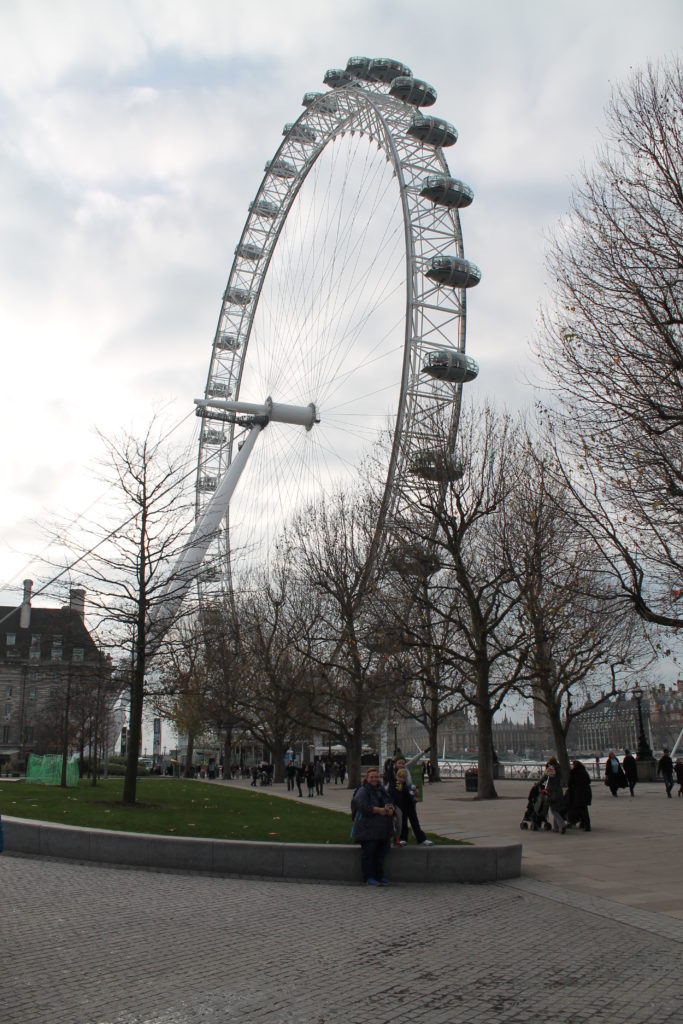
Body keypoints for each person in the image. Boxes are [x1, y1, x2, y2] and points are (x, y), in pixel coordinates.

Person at [351, 767, 395, 886]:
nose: (374, 779)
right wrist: (378, 810)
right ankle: (369, 876)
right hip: (367, 829)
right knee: (369, 854)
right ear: (366, 778)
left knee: (381, 855)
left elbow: (390, 802)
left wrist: (391, 809)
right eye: (372, 777)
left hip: (383, 829)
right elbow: (362, 806)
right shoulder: (363, 790)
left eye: (376, 777)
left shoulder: (382, 790)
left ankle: (380, 875)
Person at [387, 767, 433, 846]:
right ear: (396, 776)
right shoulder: (396, 784)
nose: (401, 779)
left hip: (410, 805)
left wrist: (414, 795)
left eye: (404, 777)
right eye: (400, 777)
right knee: (403, 823)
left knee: (415, 822)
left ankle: (421, 839)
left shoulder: (408, 785)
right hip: (401, 806)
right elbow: (395, 794)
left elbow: (412, 795)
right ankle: (403, 838)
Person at [566, 759, 592, 831]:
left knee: (582, 809)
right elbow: (589, 781)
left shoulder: (574, 772)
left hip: (578, 792)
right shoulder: (584, 772)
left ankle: (586, 825)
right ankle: (584, 823)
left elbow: (570, 783)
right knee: (584, 808)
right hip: (586, 791)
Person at [545, 764, 567, 833]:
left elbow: (545, 779)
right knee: (556, 810)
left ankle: (562, 824)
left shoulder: (550, 777)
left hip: (552, 795)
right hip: (559, 794)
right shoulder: (559, 773)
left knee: (553, 810)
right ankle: (556, 828)